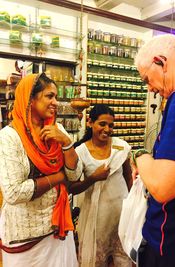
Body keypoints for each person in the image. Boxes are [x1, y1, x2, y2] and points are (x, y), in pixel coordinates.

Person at [0, 73, 82, 267]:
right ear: (30, 98)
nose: (56, 102)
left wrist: (66, 143)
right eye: (49, 96)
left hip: (57, 229)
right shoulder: (9, 138)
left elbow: (75, 175)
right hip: (25, 237)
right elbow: (13, 192)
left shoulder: (57, 130)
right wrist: (58, 176)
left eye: (56, 96)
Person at [133, 33, 175, 267]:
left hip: (174, 242)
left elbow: (164, 187)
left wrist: (140, 156)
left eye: (146, 79)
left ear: (160, 61)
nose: (150, 89)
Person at [66, 104, 133, 267]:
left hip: (120, 213)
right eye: (102, 124)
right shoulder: (80, 151)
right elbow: (72, 188)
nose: (107, 129)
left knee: (123, 257)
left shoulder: (121, 147)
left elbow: (128, 175)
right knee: (97, 260)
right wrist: (93, 178)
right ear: (90, 122)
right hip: (96, 219)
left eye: (111, 125)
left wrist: (131, 204)